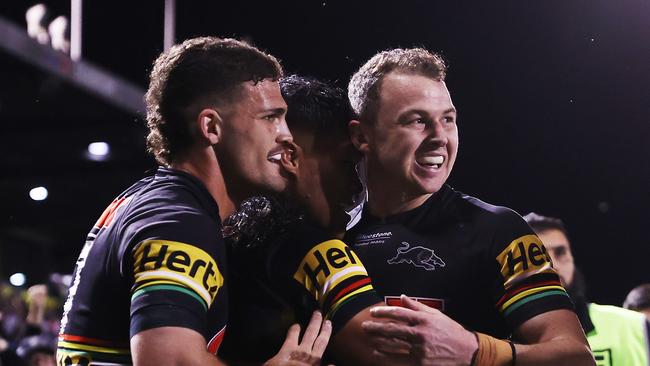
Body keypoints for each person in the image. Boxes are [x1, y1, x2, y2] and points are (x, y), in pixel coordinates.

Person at [56, 37, 330, 366]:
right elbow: (168, 361)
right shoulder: (180, 222)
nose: (286, 134)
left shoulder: (153, 201)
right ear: (211, 127)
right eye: (270, 117)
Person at [334, 47, 594, 365]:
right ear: (362, 136)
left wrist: (478, 351)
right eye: (417, 121)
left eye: (448, 119)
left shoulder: (497, 231)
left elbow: (576, 358)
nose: (440, 137)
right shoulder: (334, 236)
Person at [219, 75, 383, 363]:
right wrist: (482, 349)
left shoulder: (229, 230)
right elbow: (388, 351)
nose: (357, 185)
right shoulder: (314, 249)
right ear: (290, 158)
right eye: (347, 165)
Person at [525, 212, 650, 366]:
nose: (554, 265)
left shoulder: (633, 325)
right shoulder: (496, 339)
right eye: (538, 256)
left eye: (560, 252)